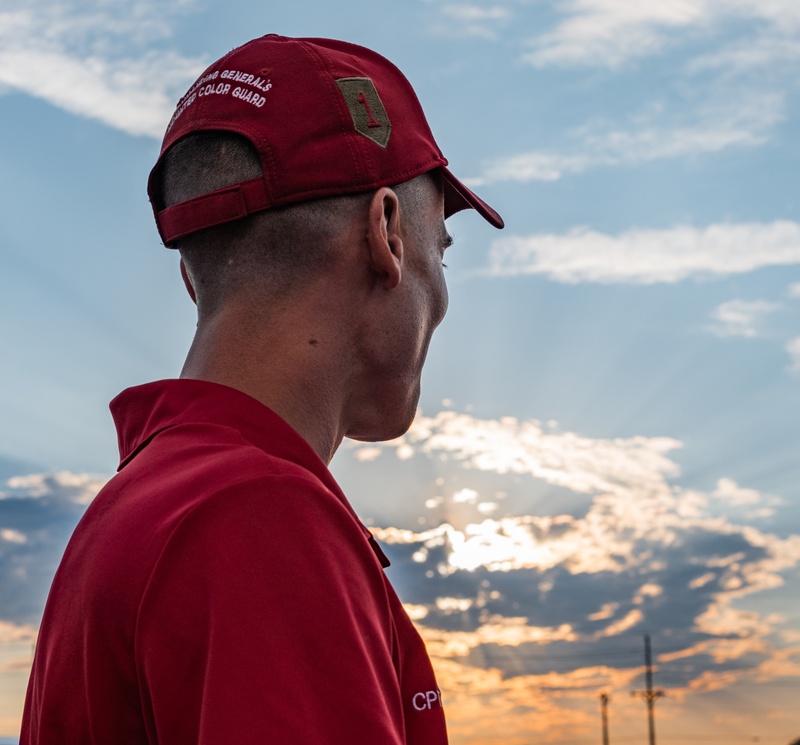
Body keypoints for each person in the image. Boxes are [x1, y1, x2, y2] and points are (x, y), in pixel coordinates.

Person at [20, 34, 503, 744]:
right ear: (388, 235)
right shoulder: (258, 518)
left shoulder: (134, 510)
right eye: (445, 250)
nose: (443, 292)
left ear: (193, 280)